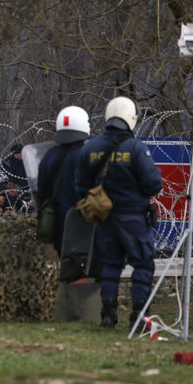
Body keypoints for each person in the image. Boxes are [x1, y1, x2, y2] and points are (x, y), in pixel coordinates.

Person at [75, 96, 162, 330]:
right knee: (143, 265)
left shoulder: (90, 148)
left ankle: (107, 315)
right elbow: (154, 184)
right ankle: (139, 318)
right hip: (134, 217)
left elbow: (81, 186)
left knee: (110, 266)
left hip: (105, 219)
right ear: (131, 118)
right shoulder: (135, 148)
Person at [37, 106, 91, 255]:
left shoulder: (48, 156)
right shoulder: (85, 156)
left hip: (58, 223)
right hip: (84, 223)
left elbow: (42, 190)